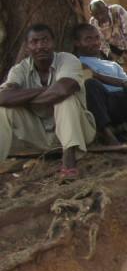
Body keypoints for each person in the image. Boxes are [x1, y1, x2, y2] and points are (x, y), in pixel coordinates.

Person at [0, 24, 95, 178]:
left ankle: (69, 163)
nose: (40, 46)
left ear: (53, 43)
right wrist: (48, 91)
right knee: (4, 109)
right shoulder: (20, 69)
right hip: (41, 136)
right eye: (34, 42)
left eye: (45, 40)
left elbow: (63, 90)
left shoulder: (67, 60)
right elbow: (3, 97)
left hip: (79, 132)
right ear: (27, 47)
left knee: (66, 99)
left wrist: (23, 98)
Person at [73, 23, 127, 145]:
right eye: (88, 39)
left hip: (126, 101)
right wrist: (123, 83)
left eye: (96, 38)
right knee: (91, 84)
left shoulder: (113, 65)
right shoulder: (76, 63)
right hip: (106, 104)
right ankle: (109, 136)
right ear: (77, 43)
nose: (94, 42)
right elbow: (91, 77)